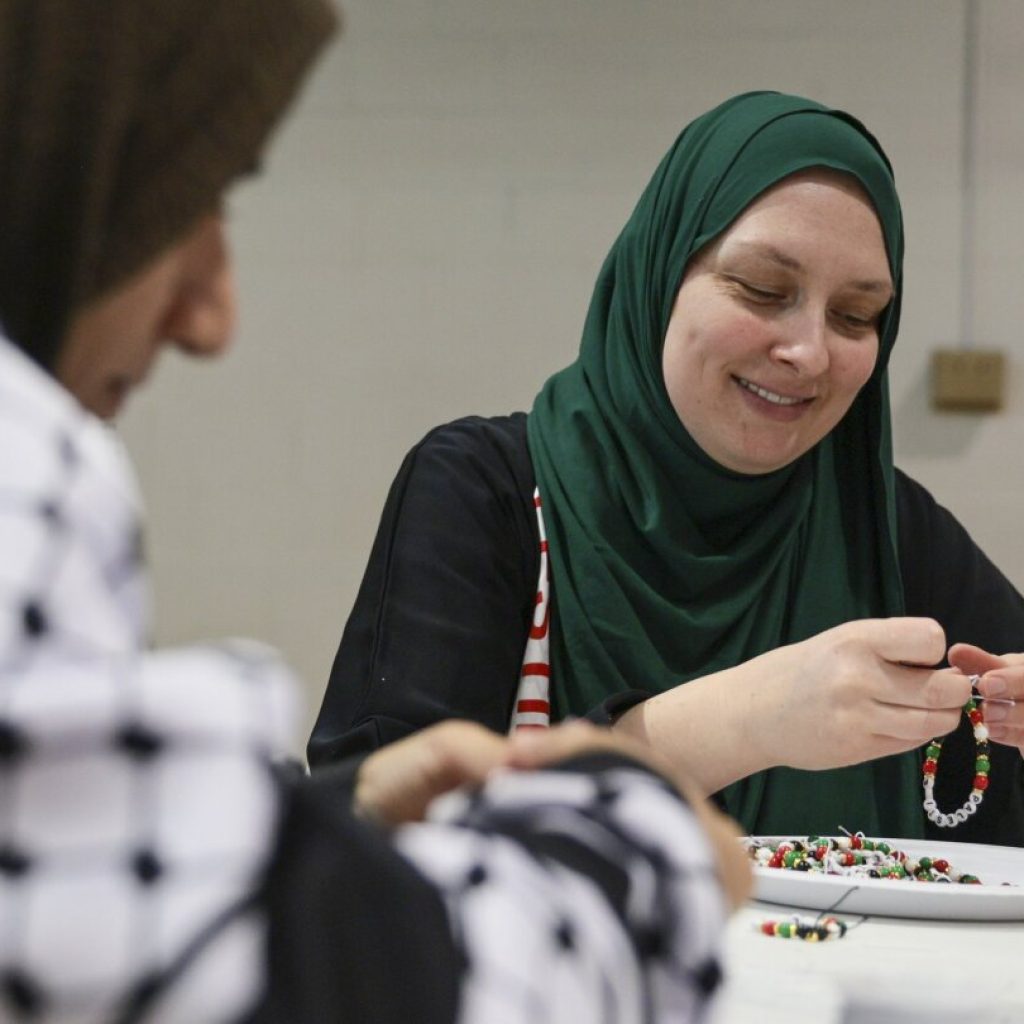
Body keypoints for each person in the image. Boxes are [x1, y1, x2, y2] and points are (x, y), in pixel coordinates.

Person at [0, 1, 748, 1022]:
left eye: (859, 316)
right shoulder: (489, 476)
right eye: (179, 199)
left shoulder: (885, 523)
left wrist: (311, 833)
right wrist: (636, 834)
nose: (211, 318)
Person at [310, 90, 1024, 847]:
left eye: (855, 316)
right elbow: (365, 837)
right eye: (762, 289)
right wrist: (747, 719)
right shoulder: (486, 494)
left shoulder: (883, 527)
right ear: (659, 277)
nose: (810, 352)